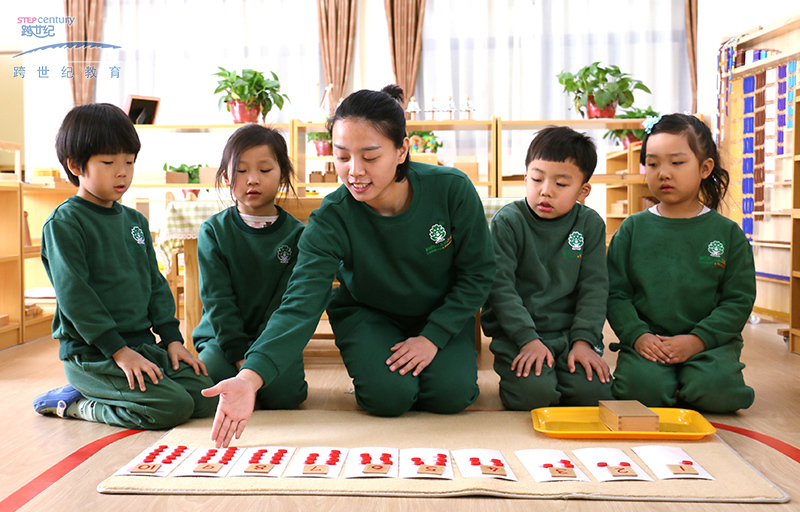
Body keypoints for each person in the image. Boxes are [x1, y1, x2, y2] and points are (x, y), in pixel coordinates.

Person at [202, 85, 496, 447]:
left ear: (402, 149)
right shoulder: (331, 218)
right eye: (342, 157)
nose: (354, 171)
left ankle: (437, 361)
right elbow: (300, 303)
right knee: (389, 399)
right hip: (370, 315)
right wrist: (249, 378)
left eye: (370, 157)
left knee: (451, 397)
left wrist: (433, 336)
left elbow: (479, 272)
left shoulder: (451, 189)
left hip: (441, 313)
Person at [32, 103, 218, 429]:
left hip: (142, 346)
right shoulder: (65, 223)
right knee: (171, 408)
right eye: (108, 162)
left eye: (129, 162)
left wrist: (172, 339)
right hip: (96, 355)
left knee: (208, 398)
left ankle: (109, 390)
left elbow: (155, 283)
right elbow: (76, 296)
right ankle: (79, 403)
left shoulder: (134, 220)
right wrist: (118, 351)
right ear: (76, 165)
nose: (122, 172)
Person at [607, 113, 756, 412]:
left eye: (676, 163)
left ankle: (689, 382)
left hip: (708, 346)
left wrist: (697, 340)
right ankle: (669, 383)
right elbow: (615, 294)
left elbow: (738, 300)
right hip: (647, 345)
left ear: (704, 168)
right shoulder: (632, 230)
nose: (663, 173)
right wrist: (638, 336)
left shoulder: (727, 233)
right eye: (652, 163)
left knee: (719, 393)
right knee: (639, 392)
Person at [481, 126, 612, 411]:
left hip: (569, 335)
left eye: (561, 184)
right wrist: (527, 339)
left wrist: (584, 341)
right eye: (537, 179)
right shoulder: (508, 222)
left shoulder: (590, 224)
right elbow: (500, 288)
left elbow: (594, 288)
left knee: (593, 395)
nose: (545, 191)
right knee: (533, 396)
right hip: (519, 335)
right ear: (526, 177)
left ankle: (568, 365)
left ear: (583, 191)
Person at [192, 124, 307, 409]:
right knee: (203, 396)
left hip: (274, 340)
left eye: (265, 170)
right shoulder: (213, 231)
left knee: (287, 397)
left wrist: (260, 360)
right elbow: (217, 300)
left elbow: (285, 305)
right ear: (226, 176)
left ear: (283, 175)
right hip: (223, 339)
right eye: (241, 171)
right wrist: (240, 356)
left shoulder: (297, 235)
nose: (252, 179)